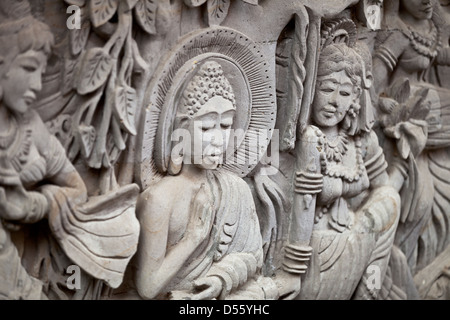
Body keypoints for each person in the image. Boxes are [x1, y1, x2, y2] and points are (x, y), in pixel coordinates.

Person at [0, 0, 139, 299]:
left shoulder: (30, 127)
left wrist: (33, 205)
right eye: (28, 68)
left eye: (42, 71)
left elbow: (75, 188)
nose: (37, 84)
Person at [134, 60, 298, 300]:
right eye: (207, 127)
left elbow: (253, 257)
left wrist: (221, 279)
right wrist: (193, 238)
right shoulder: (158, 199)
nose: (219, 139)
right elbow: (147, 288)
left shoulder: (236, 189)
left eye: (226, 126)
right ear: (180, 128)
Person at [291, 42, 401, 299]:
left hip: (353, 243)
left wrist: (404, 165)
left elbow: (384, 192)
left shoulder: (362, 141)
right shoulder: (307, 139)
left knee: (390, 200)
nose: (333, 102)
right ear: (310, 88)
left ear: (355, 98)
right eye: (327, 88)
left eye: (344, 93)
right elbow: (298, 210)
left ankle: (367, 293)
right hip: (313, 253)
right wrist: (290, 272)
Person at [373, 0, 450, 275]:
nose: (428, 1)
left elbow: (440, 55)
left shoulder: (428, 27)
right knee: (420, 202)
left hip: (428, 102)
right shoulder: (397, 33)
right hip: (404, 107)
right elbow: (375, 83)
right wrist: (385, 106)